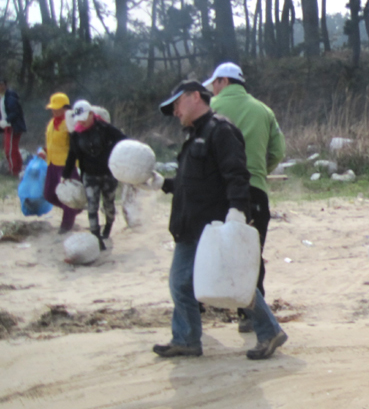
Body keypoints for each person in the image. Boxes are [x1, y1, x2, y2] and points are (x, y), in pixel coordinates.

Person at [153, 80, 287, 360]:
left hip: (213, 228)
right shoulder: (193, 136)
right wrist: (160, 184)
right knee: (180, 283)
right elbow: (187, 183)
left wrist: (237, 212)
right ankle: (186, 339)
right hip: (188, 226)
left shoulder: (221, 130)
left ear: (193, 97)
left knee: (232, 282)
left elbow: (236, 174)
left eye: (177, 104)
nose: (176, 111)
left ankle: (269, 331)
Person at [204, 61, 286, 333]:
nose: (213, 90)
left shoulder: (211, 109)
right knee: (252, 254)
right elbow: (278, 151)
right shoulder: (264, 110)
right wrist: (260, 171)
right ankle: (250, 315)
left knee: (211, 250)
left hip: (219, 193)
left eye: (214, 84)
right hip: (256, 191)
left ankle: (200, 307)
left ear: (222, 82)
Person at [63, 100, 127, 249]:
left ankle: (109, 225)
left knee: (109, 203)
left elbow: (124, 140)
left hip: (108, 173)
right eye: (80, 119)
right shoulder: (76, 135)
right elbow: (72, 155)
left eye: (85, 117)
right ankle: (96, 236)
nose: (83, 122)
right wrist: (65, 174)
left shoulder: (105, 128)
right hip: (89, 174)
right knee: (92, 205)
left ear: (92, 114)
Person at [42, 92, 82, 233]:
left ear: (66, 108)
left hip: (66, 165)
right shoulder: (52, 122)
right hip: (52, 163)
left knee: (68, 195)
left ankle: (66, 225)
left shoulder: (70, 124)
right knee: (49, 194)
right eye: (53, 108)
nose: (54, 111)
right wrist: (45, 152)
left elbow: (74, 146)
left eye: (57, 108)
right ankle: (74, 208)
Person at [0, 79, 26, 177]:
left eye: (1, 85)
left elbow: (15, 112)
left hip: (12, 126)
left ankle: (14, 170)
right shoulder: (1, 98)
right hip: (6, 126)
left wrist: (6, 120)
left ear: (4, 86)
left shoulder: (10, 97)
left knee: (9, 149)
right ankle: (18, 168)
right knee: (13, 148)